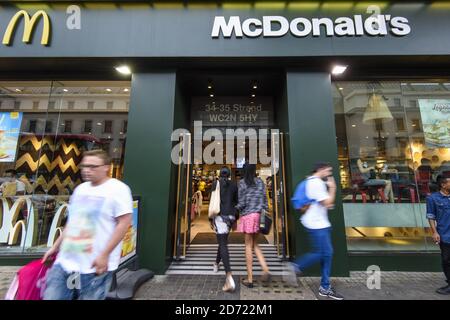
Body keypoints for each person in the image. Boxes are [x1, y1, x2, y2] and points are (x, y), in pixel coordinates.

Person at [42, 149, 133, 300]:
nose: (87, 171)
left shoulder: (119, 189)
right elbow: (73, 222)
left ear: (106, 167)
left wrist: (104, 255)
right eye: (84, 166)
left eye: (92, 166)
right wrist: (56, 247)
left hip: (94, 265)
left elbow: (124, 223)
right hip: (65, 261)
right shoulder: (80, 190)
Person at [285, 162, 344, 300]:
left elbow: (322, 204)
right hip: (317, 224)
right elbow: (328, 203)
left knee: (326, 254)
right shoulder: (317, 183)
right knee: (323, 252)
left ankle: (324, 285)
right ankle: (296, 266)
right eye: (328, 171)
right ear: (320, 170)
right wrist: (333, 188)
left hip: (318, 223)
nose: (329, 173)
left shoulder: (311, 181)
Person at [236, 163, 270, 288]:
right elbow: (265, 200)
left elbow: (242, 203)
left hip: (248, 216)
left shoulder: (243, 183)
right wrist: (263, 210)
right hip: (259, 216)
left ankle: (250, 279)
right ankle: (265, 268)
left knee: (248, 246)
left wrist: (234, 209)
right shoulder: (260, 182)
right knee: (255, 244)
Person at [210, 167, 238, 292]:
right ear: (229, 174)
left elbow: (212, 202)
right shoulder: (234, 185)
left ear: (219, 174)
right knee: (222, 242)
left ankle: (229, 276)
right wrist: (235, 219)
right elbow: (237, 202)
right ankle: (216, 263)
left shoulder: (216, 183)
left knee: (223, 244)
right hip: (230, 217)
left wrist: (210, 219)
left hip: (220, 217)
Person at [426, 174, 450, 295]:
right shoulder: (432, 198)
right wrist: (434, 232)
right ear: (443, 185)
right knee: (446, 260)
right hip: (444, 234)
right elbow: (431, 216)